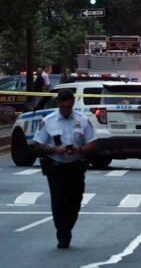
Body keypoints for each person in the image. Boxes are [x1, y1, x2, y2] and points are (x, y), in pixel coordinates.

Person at [32, 89, 96, 248]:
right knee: (59, 201)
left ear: (73, 104)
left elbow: (93, 143)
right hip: (56, 167)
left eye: (68, 107)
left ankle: (67, 227)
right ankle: (63, 234)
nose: (65, 110)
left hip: (76, 166)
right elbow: (37, 145)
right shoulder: (48, 121)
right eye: (62, 107)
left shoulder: (82, 120)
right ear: (58, 104)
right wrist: (54, 150)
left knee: (75, 201)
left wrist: (80, 150)